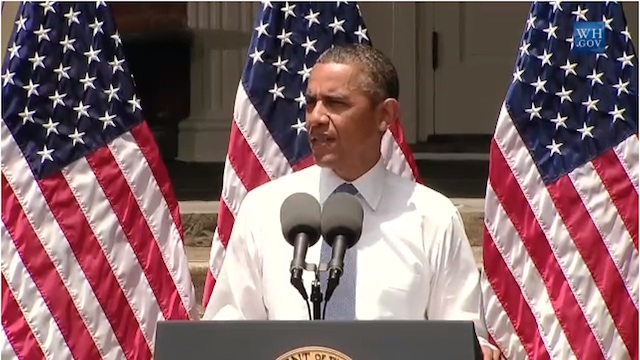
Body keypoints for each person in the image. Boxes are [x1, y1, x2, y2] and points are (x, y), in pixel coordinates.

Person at [202, 43, 500, 360]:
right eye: (310, 103)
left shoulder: (431, 217)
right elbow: (227, 332)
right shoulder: (264, 210)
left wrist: (478, 349)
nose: (316, 117)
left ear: (385, 115)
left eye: (335, 103)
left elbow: (460, 333)